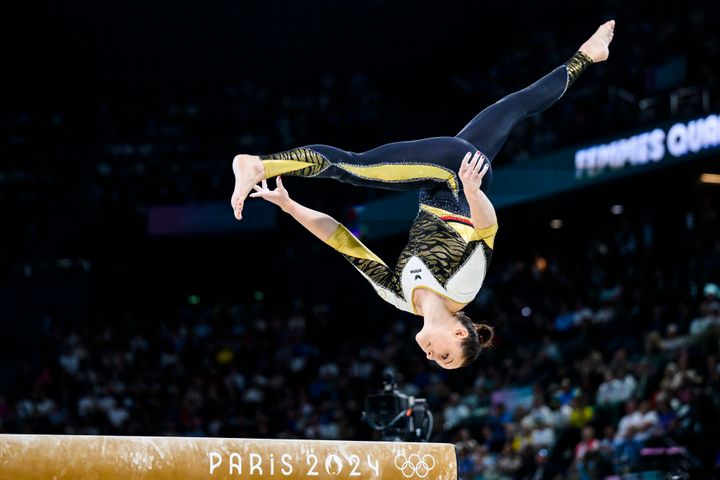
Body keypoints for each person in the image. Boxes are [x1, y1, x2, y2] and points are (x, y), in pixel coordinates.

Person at [231, 21, 616, 368]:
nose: (432, 356)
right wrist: (470, 188)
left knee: (515, 107)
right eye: (445, 355)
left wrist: (289, 205)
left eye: (436, 361)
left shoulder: (399, 297)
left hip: (439, 183)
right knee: (354, 168)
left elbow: (342, 241)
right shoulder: (461, 289)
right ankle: (260, 164)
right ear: (460, 333)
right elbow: (486, 230)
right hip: (458, 178)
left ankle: (588, 55)